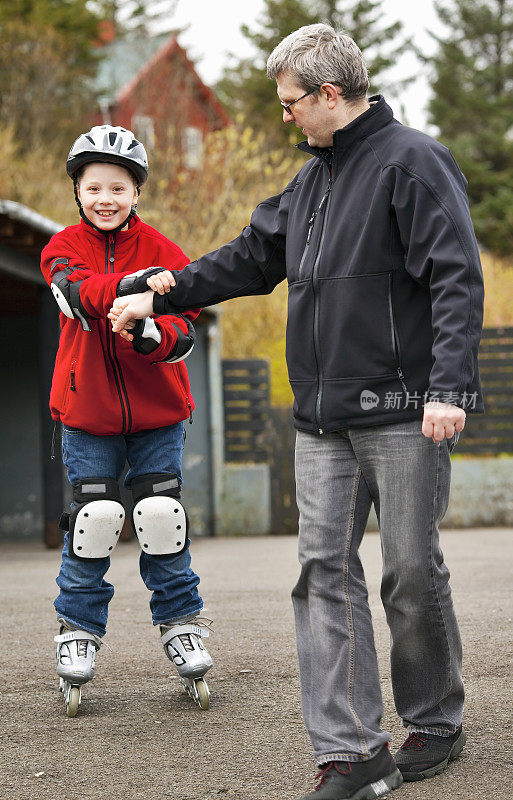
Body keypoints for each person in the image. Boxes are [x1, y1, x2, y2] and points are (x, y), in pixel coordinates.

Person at [110, 23, 484, 799]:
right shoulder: (310, 184)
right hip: (321, 420)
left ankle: (435, 720)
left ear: (327, 94)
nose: (285, 118)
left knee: (410, 573)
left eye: (290, 104)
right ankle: (351, 750)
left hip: (404, 408)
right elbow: (248, 256)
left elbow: (455, 276)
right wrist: (165, 284)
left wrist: (448, 387)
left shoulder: (409, 162)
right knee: (322, 572)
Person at [41, 125, 213, 717]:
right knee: (93, 519)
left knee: (161, 516)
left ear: (136, 192)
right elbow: (76, 293)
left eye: (118, 187)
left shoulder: (166, 253)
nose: (106, 198)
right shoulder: (61, 246)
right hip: (86, 414)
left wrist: (150, 333)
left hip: (158, 414)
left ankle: (181, 622)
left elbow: (187, 330)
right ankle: (78, 632)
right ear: (78, 191)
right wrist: (135, 288)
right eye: (94, 188)